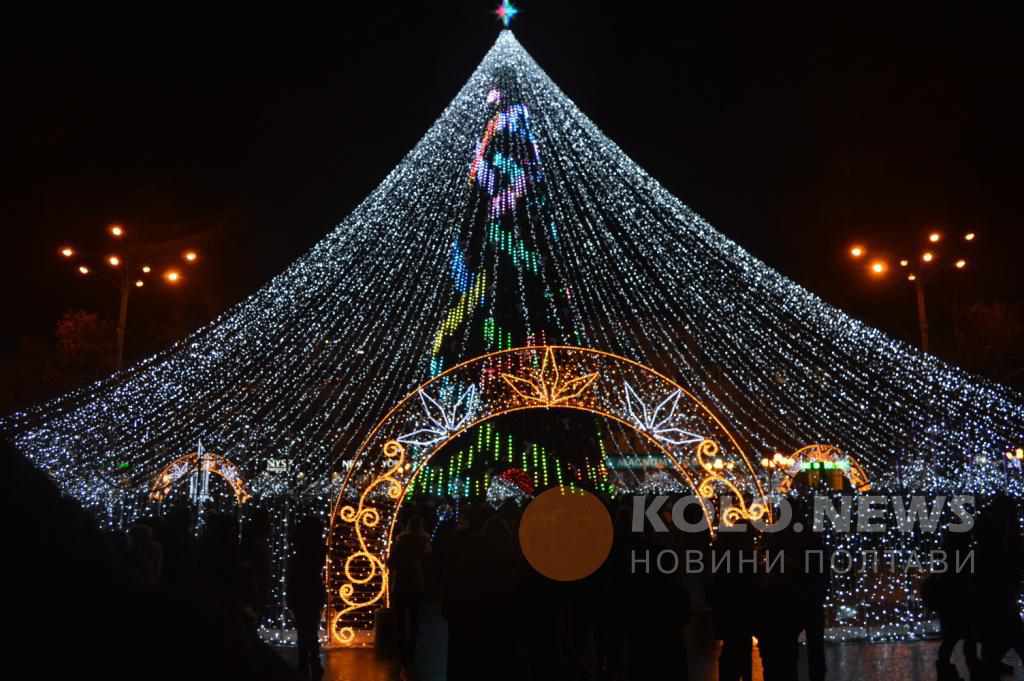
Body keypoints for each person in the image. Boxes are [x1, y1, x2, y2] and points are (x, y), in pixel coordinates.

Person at [389, 513, 432, 673]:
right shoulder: (424, 542)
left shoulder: (400, 542)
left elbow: (391, 562)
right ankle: (412, 649)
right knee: (415, 617)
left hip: (400, 583)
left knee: (400, 618)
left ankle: (400, 650)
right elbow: (429, 563)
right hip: (416, 583)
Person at [288, 515, 327, 681]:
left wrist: (290, 598)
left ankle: (305, 664)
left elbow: (293, 575)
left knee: (304, 631)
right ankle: (313, 664)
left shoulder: (299, 552)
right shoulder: (319, 549)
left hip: (301, 592)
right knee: (310, 630)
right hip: (313, 591)